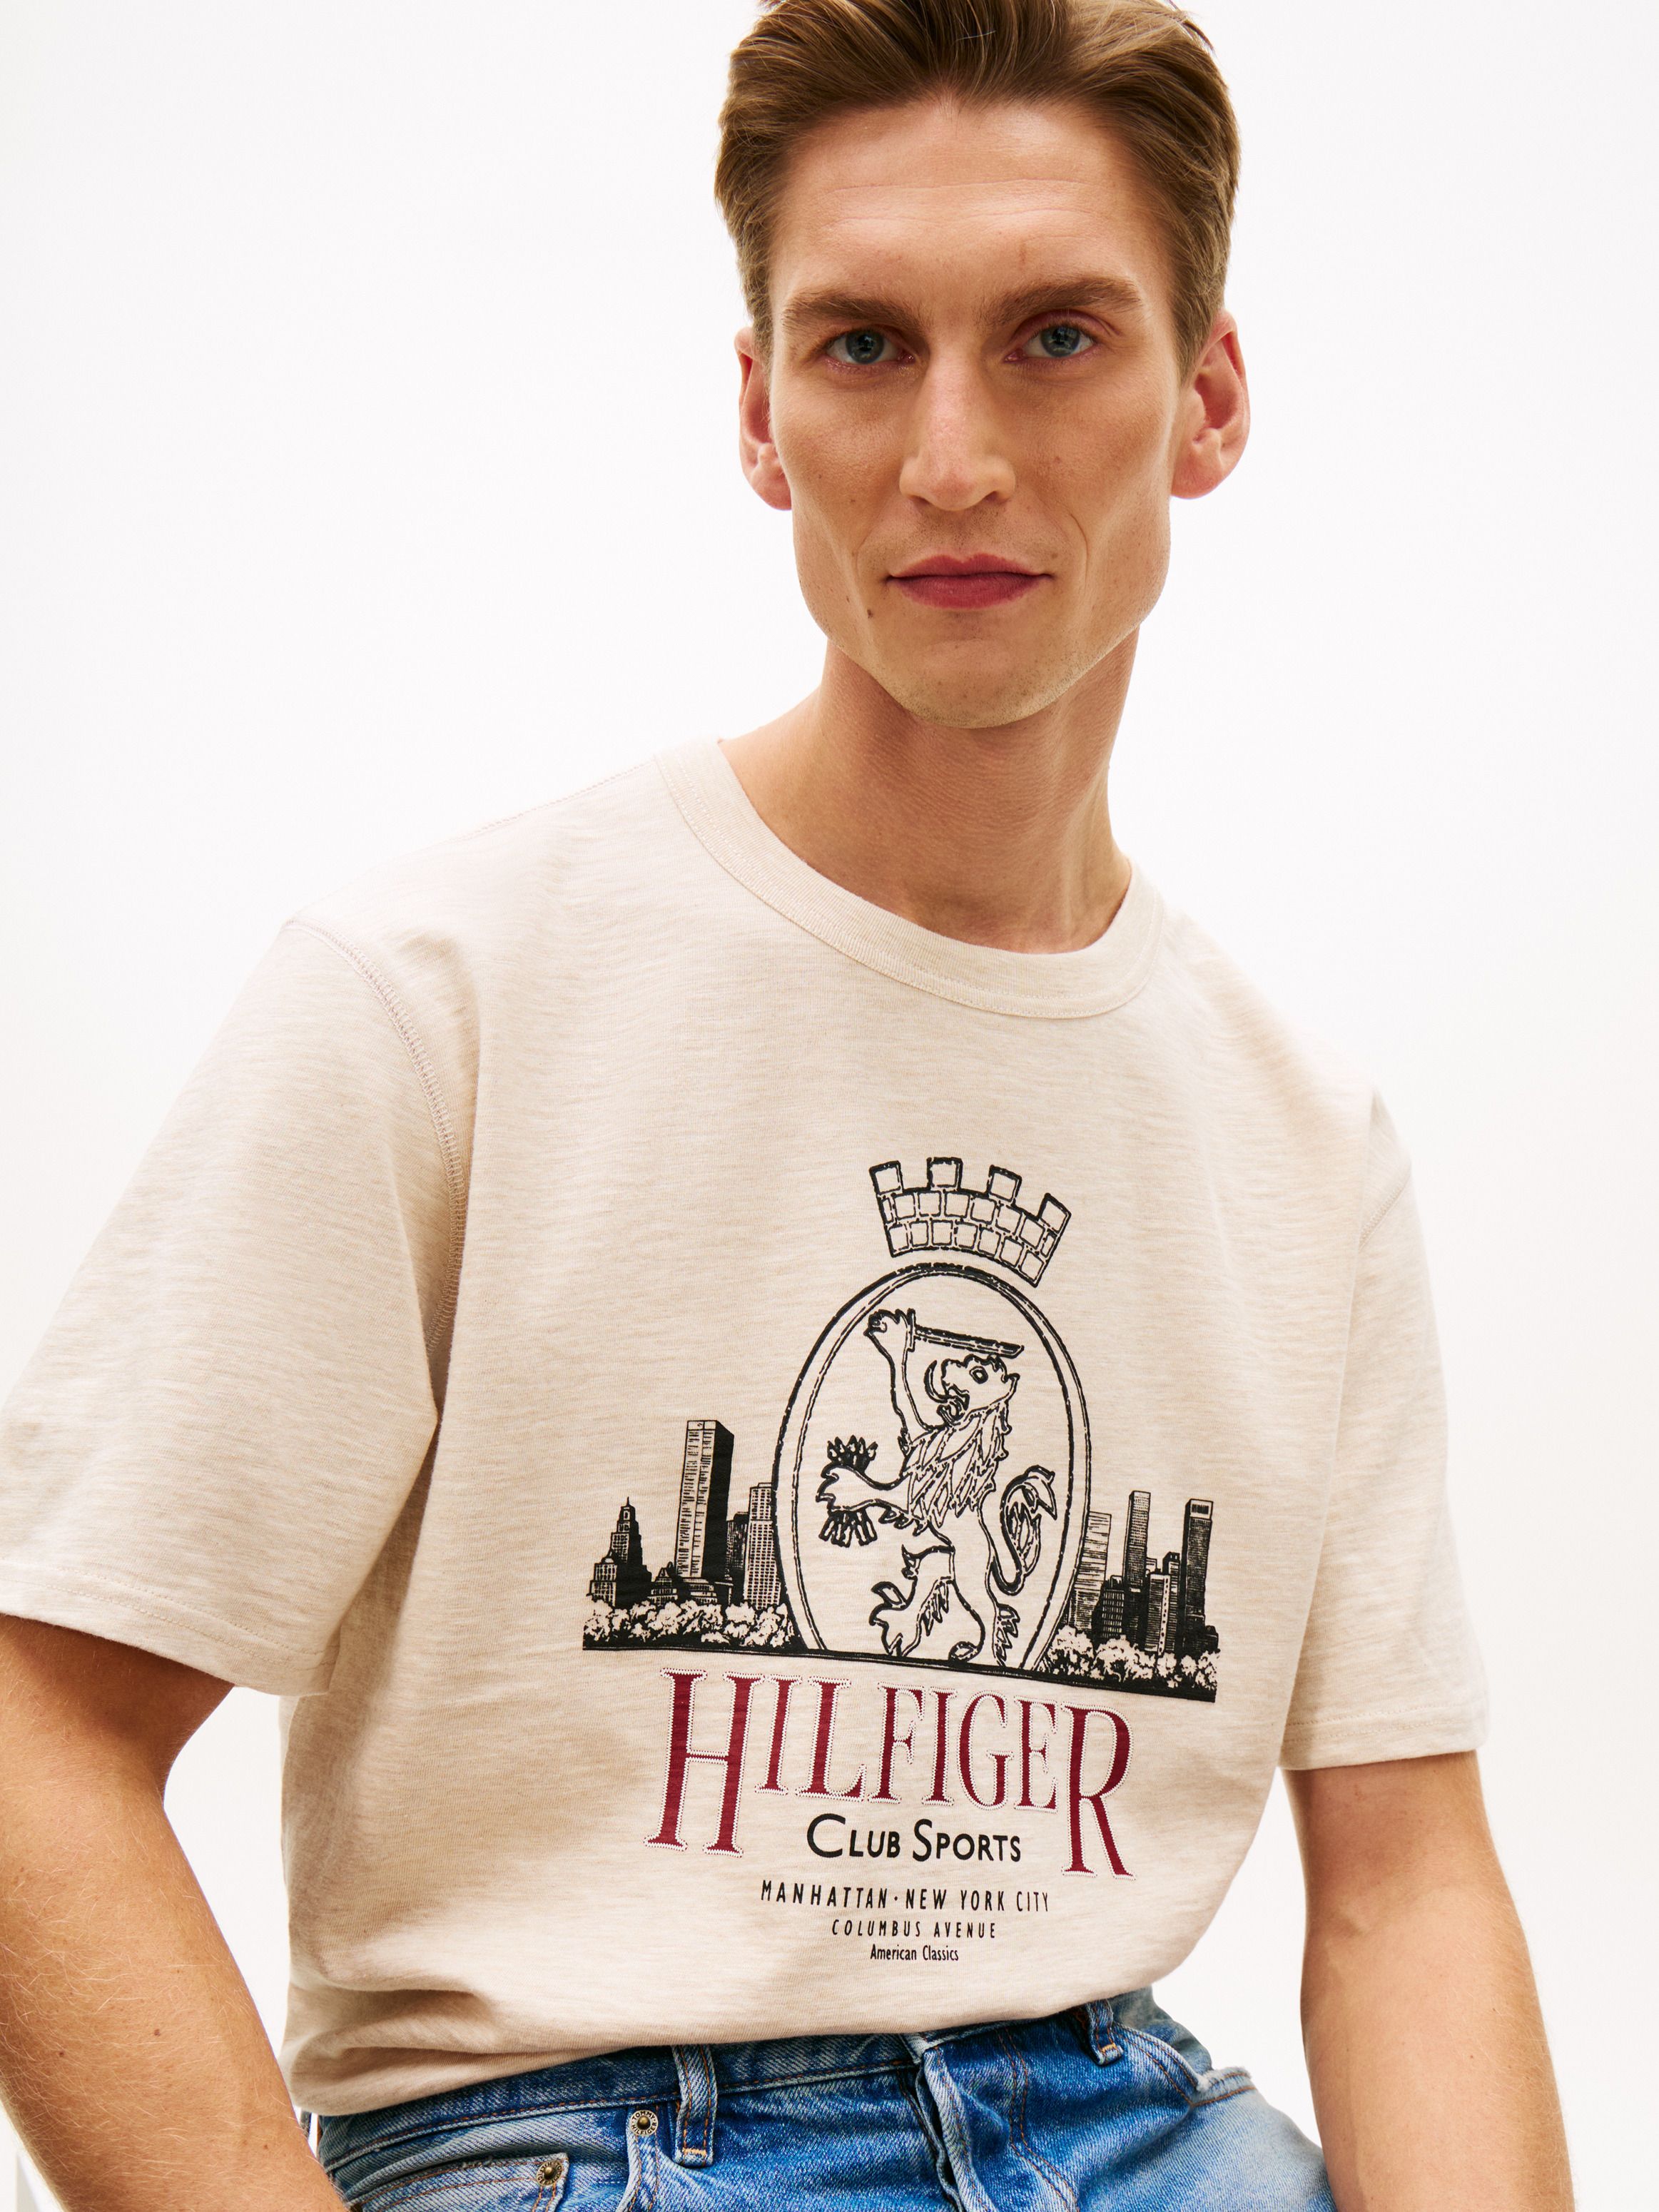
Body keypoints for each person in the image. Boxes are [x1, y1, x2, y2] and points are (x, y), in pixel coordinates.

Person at [0, 3, 1573, 2206]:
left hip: (1143, 2122)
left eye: (1054, 337)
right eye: (863, 348)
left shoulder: (1301, 1138)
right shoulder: (444, 994)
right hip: (584, 2131)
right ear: (760, 408)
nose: (953, 456)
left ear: (1208, 396)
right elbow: (39, 1736)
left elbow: (1407, 1885)